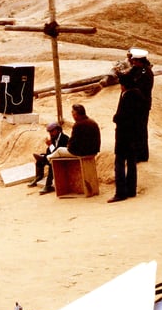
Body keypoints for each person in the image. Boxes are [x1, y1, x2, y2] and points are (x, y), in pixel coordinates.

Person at [43, 104, 101, 195]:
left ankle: (46, 159)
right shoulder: (93, 122)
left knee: (59, 151)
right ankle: (47, 158)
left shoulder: (78, 125)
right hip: (93, 150)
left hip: (81, 152)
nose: (72, 115)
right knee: (58, 152)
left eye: (73, 113)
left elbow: (72, 143)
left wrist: (70, 148)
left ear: (76, 114)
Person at [109, 73, 146, 203]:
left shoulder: (128, 96)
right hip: (134, 136)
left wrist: (115, 118)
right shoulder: (138, 94)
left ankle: (120, 193)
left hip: (124, 136)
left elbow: (121, 117)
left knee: (119, 163)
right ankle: (131, 189)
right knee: (131, 163)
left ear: (124, 85)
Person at [128, 48, 153, 162]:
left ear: (139, 60)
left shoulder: (146, 72)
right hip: (136, 105)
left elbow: (140, 89)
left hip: (141, 105)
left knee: (140, 130)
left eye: (134, 59)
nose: (132, 61)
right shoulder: (137, 69)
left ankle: (141, 155)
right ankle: (138, 153)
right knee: (135, 130)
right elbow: (128, 76)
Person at [27, 122, 69, 189]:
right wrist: (45, 155)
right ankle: (38, 177)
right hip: (52, 157)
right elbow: (49, 152)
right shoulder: (53, 138)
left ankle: (48, 185)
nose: (50, 134)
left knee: (53, 164)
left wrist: (50, 145)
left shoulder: (65, 138)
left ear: (58, 130)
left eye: (52, 131)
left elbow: (59, 153)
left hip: (61, 160)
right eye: (49, 132)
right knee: (40, 159)